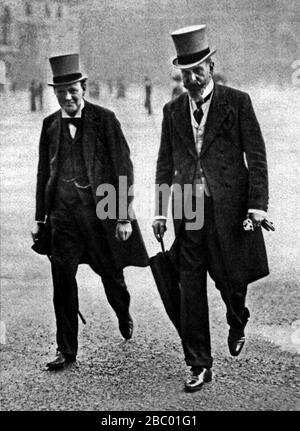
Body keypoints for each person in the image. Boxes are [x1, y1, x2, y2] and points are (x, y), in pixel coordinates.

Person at [152, 25, 269, 392]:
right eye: (185, 72)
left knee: (231, 280)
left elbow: (257, 157)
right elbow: (164, 163)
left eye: (198, 69)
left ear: (211, 65)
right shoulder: (172, 111)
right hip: (188, 211)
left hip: (228, 210)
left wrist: (257, 206)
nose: (192, 77)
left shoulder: (238, 102)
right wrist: (159, 211)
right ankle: (199, 364)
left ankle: (238, 317)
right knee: (190, 290)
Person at [32, 54, 148, 370]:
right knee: (62, 281)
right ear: (54, 93)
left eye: (73, 90)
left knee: (112, 277)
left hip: (101, 218)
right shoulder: (50, 125)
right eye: (61, 92)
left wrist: (123, 215)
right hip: (62, 217)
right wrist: (40, 218)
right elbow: (44, 173)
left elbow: (123, 168)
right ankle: (66, 350)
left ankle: (123, 312)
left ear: (84, 87)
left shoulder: (105, 119)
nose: (68, 98)